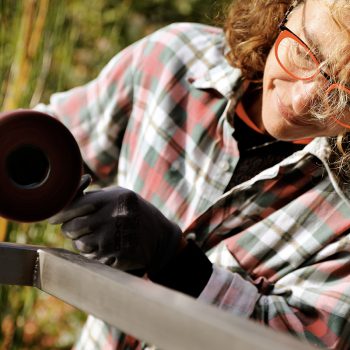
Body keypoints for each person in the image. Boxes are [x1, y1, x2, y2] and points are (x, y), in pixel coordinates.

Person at [36, 0, 350, 348]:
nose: (302, 100)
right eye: (305, 53)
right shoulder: (173, 59)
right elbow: (48, 143)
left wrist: (174, 260)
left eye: (345, 94)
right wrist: (43, 179)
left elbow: (297, 342)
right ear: (285, 10)